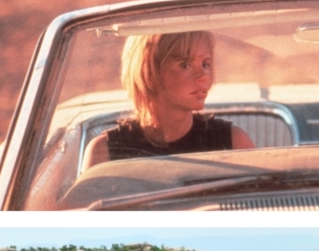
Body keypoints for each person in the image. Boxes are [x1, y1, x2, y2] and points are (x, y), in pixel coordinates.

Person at [84, 30, 255, 167]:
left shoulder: (233, 143)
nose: (203, 76)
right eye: (185, 65)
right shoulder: (106, 151)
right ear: (149, 71)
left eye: (206, 64)